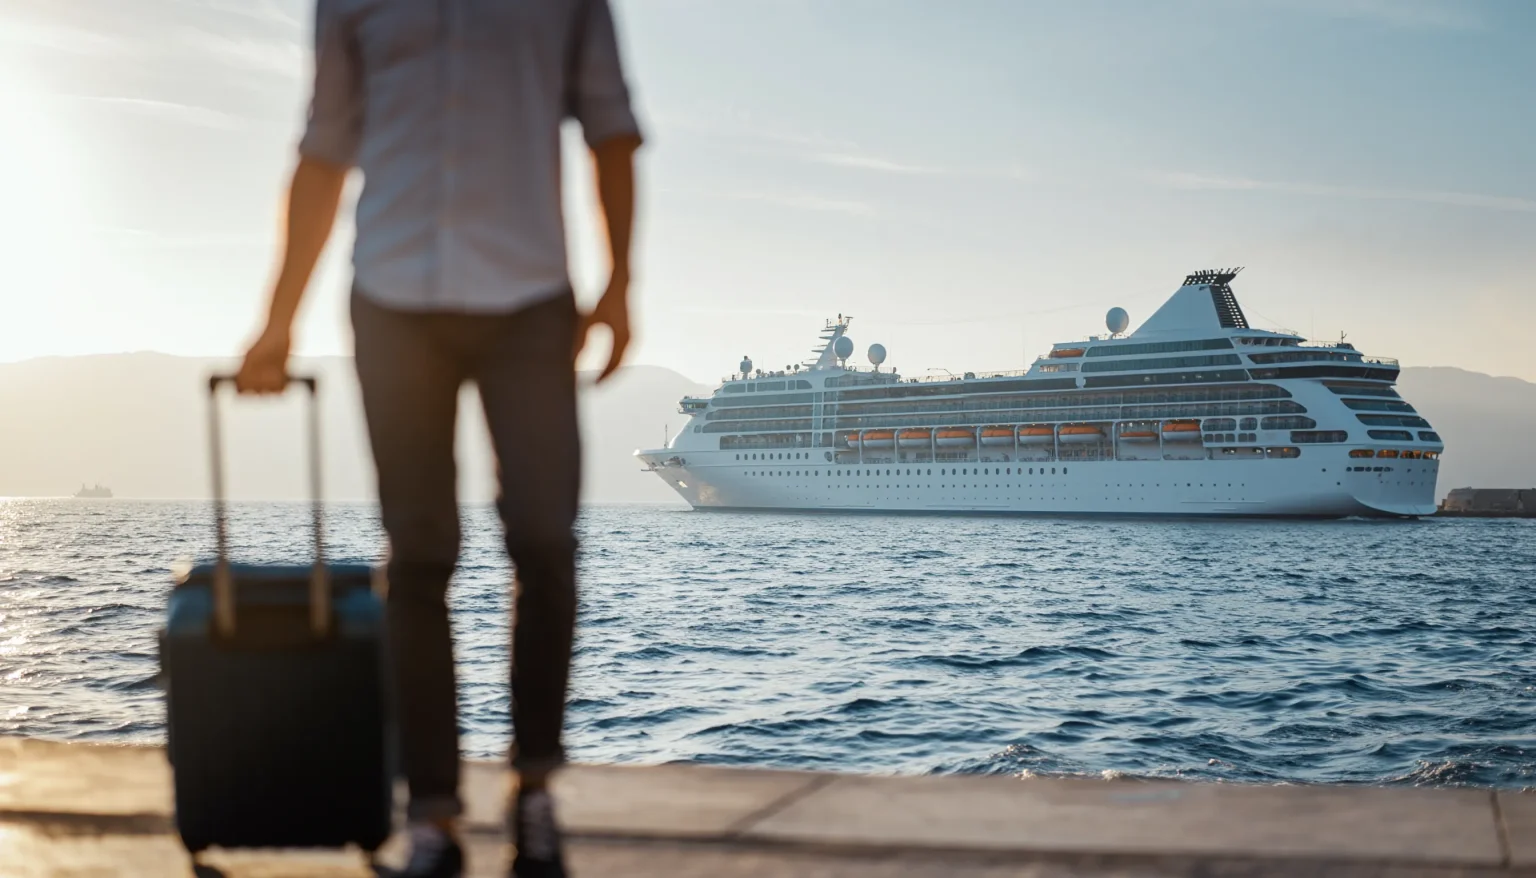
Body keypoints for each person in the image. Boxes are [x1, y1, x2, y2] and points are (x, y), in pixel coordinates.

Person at [235, 1, 643, 875]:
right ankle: (434, 819)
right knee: (417, 557)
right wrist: (277, 321)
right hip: (392, 299)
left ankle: (534, 795)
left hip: (532, 299)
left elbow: (612, 127)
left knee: (543, 540)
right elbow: (323, 148)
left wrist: (619, 285)